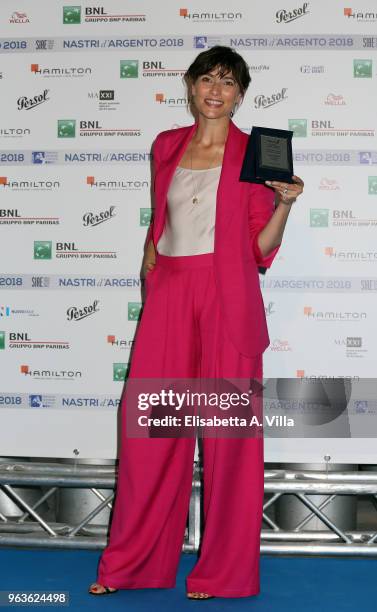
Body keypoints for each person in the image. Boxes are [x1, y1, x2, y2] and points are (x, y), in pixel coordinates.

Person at [89, 45, 304, 600]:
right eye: (207, 78)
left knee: (230, 442)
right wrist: (150, 268)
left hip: (227, 295)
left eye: (228, 82)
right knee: (151, 434)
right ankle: (132, 566)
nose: (216, 89)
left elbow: (259, 249)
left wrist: (283, 204)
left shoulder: (256, 153)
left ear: (241, 93)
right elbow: (161, 220)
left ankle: (222, 574)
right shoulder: (165, 145)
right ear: (189, 86)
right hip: (170, 296)